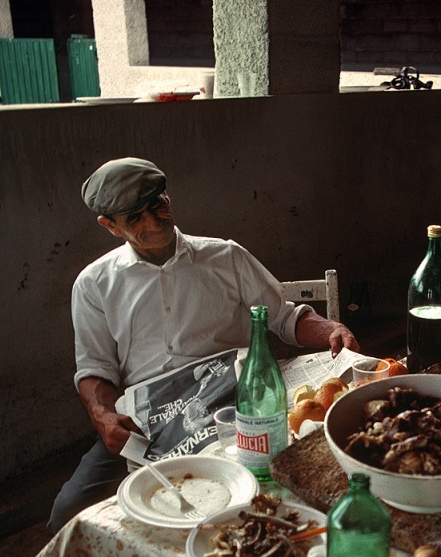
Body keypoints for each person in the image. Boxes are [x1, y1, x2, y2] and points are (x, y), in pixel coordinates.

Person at [48, 157, 359, 534]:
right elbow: (95, 369)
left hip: (231, 409)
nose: (153, 222)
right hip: (146, 427)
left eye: (157, 206)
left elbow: (285, 318)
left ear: (168, 197)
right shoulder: (94, 284)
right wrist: (102, 416)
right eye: (134, 219)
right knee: (68, 511)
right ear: (109, 226)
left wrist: (331, 329)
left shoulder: (225, 257)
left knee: (257, 500)